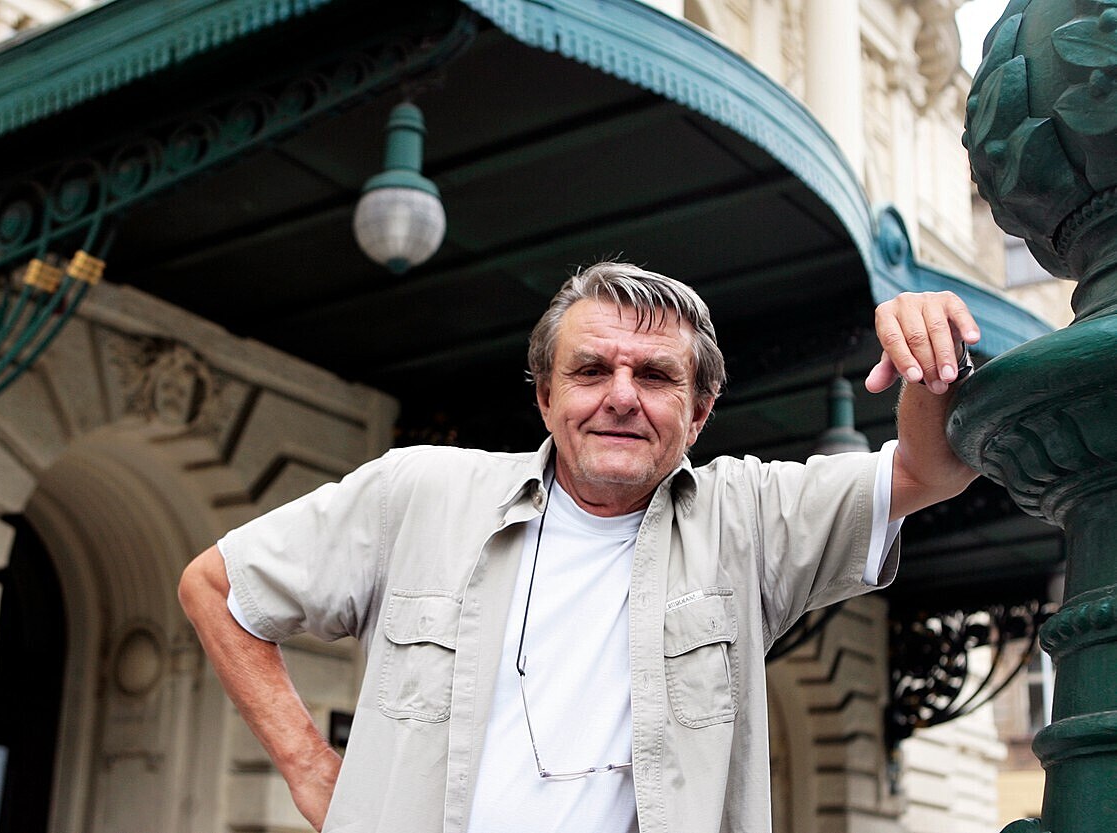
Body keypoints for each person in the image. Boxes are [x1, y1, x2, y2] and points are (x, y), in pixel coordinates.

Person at [178, 262, 980, 833]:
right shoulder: (418, 492)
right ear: (546, 395)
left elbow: (929, 470)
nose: (621, 397)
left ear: (699, 414)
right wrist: (310, 768)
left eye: (656, 376)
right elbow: (217, 586)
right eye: (591, 369)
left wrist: (932, 362)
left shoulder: (749, 521)